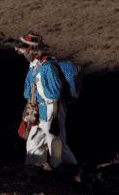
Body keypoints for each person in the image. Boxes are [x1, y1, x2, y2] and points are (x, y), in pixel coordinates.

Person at [17, 31, 78, 176]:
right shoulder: (34, 65)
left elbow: (55, 93)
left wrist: (55, 117)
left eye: (26, 50)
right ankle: (34, 170)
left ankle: (72, 170)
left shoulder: (47, 67)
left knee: (56, 141)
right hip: (39, 109)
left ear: (33, 50)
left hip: (51, 108)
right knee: (34, 141)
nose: (23, 53)